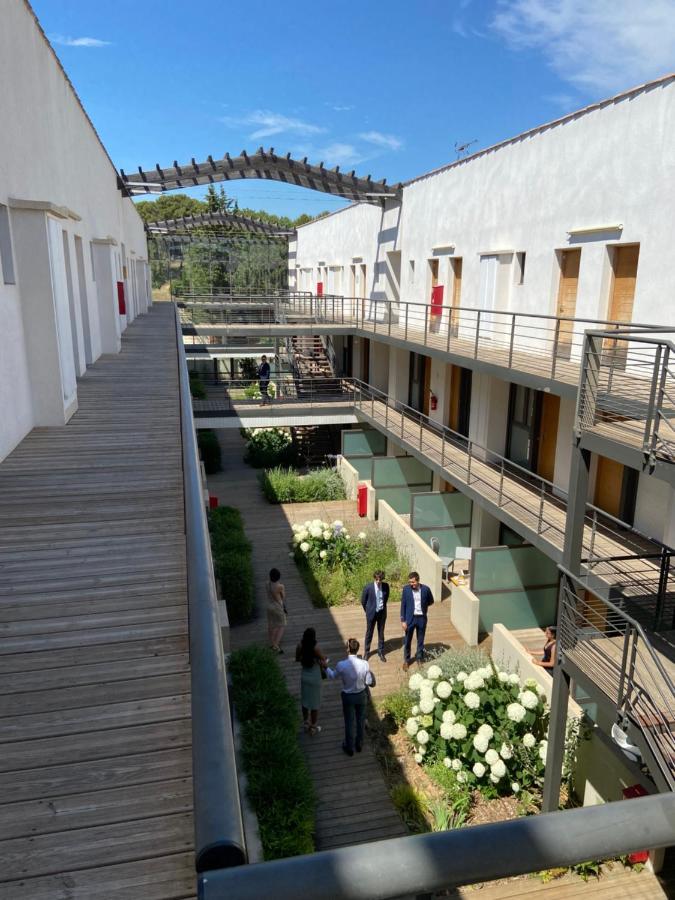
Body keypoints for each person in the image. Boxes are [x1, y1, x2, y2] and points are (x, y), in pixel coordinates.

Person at [328, 638, 373, 756]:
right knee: (360, 720)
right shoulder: (365, 664)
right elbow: (368, 681)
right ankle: (359, 744)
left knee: (349, 722)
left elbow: (332, 675)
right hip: (361, 695)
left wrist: (325, 666)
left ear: (348, 649)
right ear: (357, 649)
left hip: (348, 696)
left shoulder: (341, 665)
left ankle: (349, 747)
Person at [295, 627, 328, 736]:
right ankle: (313, 727)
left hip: (304, 676)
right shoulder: (316, 648)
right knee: (315, 704)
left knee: (305, 701)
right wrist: (319, 660)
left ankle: (305, 722)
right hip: (315, 677)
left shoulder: (300, 645)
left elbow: (297, 659)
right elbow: (324, 661)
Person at [400, 571, 434, 670]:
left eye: (413, 582)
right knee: (407, 641)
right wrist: (403, 620)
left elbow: (430, 601)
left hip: (421, 619)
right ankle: (406, 660)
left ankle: (419, 659)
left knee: (421, 640)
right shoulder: (406, 589)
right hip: (410, 619)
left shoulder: (426, 589)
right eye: (410, 582)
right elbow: (403, 605)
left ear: (418, 580)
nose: (411, 584)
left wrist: (422, 607)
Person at [361, 569, 389, 662]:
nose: (378, 581)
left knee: (381, 633)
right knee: (369, 632)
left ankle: (380, 651)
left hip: (381, 613)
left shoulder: (386, 586)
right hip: (371, 613)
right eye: (377, 579)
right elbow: (363, 601)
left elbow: (386, 598)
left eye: (380, 580)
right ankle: (367, 651)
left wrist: (382, 607)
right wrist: (368, 611)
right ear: (374, 578)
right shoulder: (368, 587)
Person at [266, 567, 287, 653]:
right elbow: (283, 597)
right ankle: (276, 645)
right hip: (277, 607)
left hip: (269, 606)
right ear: (278, 577)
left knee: (271, 624)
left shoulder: (266, 583)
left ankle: (272, 642)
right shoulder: (280, 586)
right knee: (282, 625)